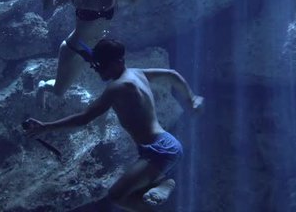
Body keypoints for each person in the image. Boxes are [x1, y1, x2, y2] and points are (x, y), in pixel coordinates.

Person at [25, 39, 204, 211]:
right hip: (163, 145)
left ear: (118, 62)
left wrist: (46, 126)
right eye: (96, 64)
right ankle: (161, 182)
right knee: (133, 194)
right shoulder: (136, 73)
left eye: (102, 65)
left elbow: (84, 118)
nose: (97, 69)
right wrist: (191, 97)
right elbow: (172, 75)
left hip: (159, 150)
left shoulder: (117, 87)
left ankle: (163, 183)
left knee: (117, 196)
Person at [39, 0, 151, 106]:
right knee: (59, 91)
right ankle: (43, 86)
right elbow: (47, 6)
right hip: (74, 49)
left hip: (95, 51)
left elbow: (132, 0)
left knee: (116, 82)